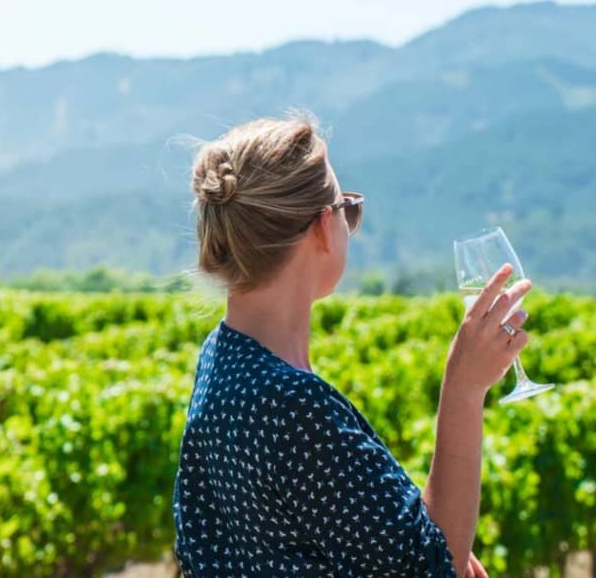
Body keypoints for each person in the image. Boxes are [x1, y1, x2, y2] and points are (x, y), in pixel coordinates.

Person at [171, 110, 532, 578]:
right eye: (348, 209)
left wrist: (436, 542)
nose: (349, 225)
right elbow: (426, 570)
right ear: (323, 226)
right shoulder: (292, 406)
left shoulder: (221, 357)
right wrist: (464, 388)